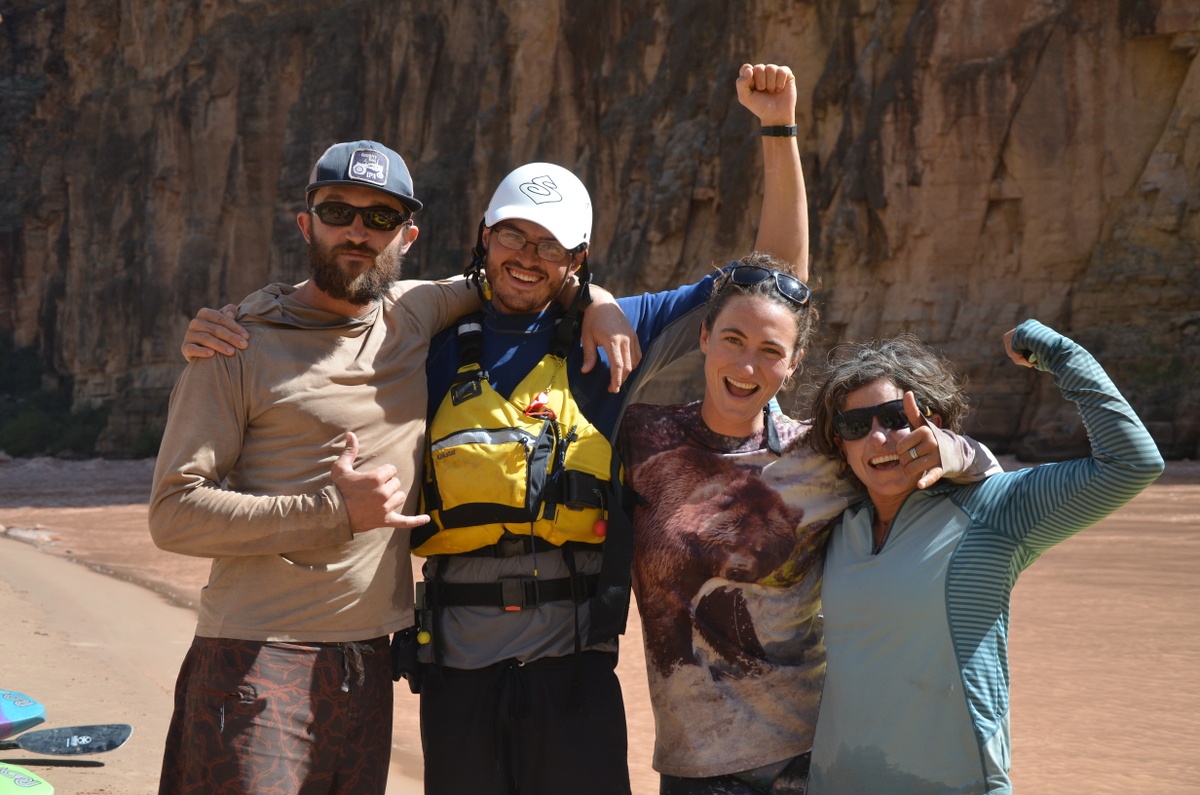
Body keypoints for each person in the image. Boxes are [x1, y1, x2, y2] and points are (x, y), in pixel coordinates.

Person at [180, 63, 807, 794]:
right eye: (514, 234)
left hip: (573, 674)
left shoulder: (613, 336)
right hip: (457, 675)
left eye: (551, 245)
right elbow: (331, 305)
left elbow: (774, 287)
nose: (527, 257)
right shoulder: (425, 333)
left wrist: (778, 129)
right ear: (484, 235)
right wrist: (236, 321)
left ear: (577, 258)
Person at [149, 139, 625, 795]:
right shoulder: (237, 344)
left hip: (369, 662)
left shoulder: (416, 311)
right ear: (305, 221)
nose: (356, 230)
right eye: (337, 209)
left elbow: (534, 267)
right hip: (258, 652)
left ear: (408, 232)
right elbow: (173, 514)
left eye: (379, 217)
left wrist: (598, 299)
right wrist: (333, 515)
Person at [619, 253, 999, 794]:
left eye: (771, 351)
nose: (747, 366)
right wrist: (599, 311)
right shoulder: (641, 437)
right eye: (733, 339)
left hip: (809, 757)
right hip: (692, 763)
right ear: (703, 337)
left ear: (794, 363)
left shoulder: (821, 456)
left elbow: (985, 475)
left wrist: (949, 449)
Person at [803, 322, 1164, 794]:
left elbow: (1132, 464)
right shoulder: (832, 525)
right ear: (839, 444)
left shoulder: (994, 511)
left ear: (932, 421)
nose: (878, 438)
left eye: (894, 417)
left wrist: (1058, 351)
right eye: (855, 426)